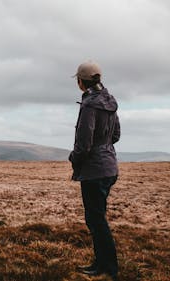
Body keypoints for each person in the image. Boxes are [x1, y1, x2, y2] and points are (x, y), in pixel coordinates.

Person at [69, 61, 120, 281]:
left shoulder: (90, 105)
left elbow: (84, 143)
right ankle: (102, 263)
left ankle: (107, 266)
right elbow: (115, 135)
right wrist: (104, 146)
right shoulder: (109, 102)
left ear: (81, 81)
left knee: (96, 219)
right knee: (98, 218)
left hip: (94, 170)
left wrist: (74, 158)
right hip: (109, 167)